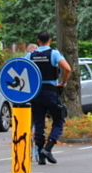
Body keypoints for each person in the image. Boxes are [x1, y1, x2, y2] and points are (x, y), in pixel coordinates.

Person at [29, 31, 72, 165]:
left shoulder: (31, 54)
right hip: (50, 91)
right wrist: (63, 82)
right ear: (50, 40)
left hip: (35, 92)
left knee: (39, 123)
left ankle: (41, 156)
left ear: (38, 41)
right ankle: (48, 148)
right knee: (59, 120)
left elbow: (21, 67)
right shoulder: (53, 53)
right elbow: (68, 69)